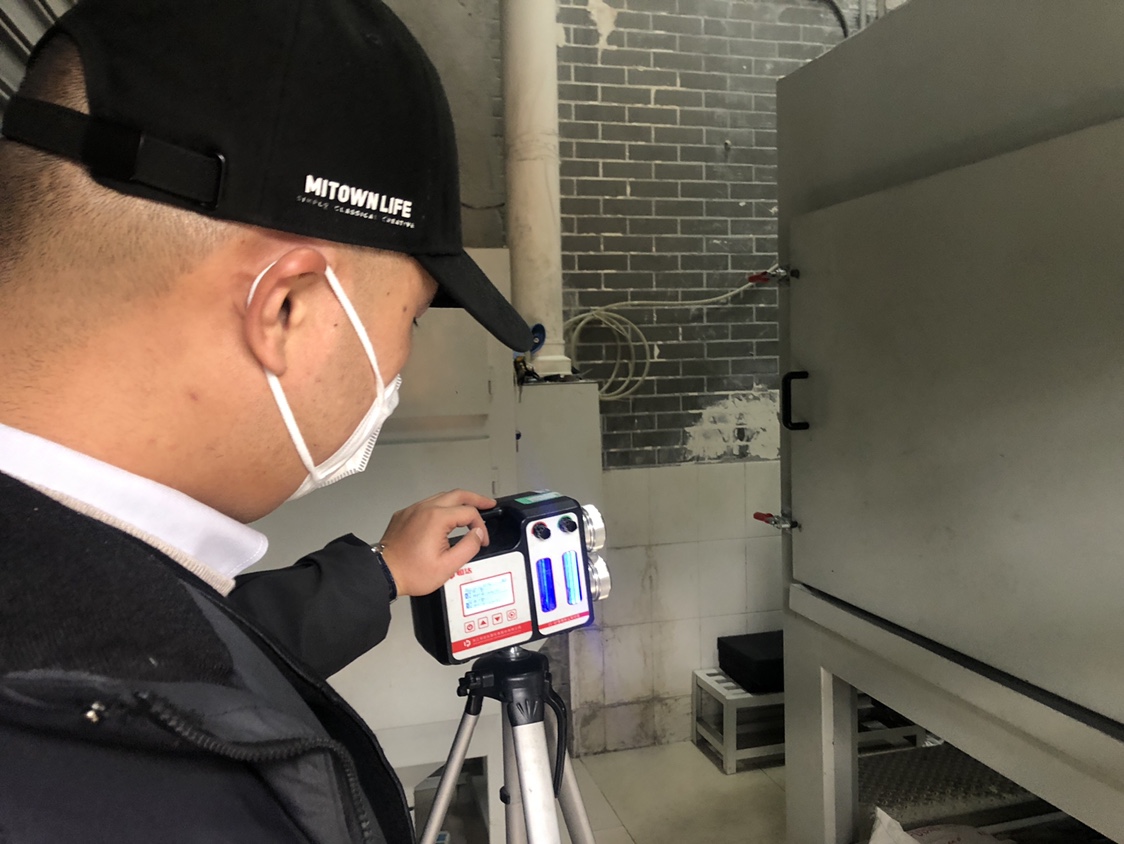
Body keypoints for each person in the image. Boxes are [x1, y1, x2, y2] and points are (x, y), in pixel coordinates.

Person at [0, 0, 532, 841]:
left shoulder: (66, 620)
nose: (402, 361)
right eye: (412, 317)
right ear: (285, 308)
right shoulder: (160, 803)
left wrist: (380, 573)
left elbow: (176, 642)